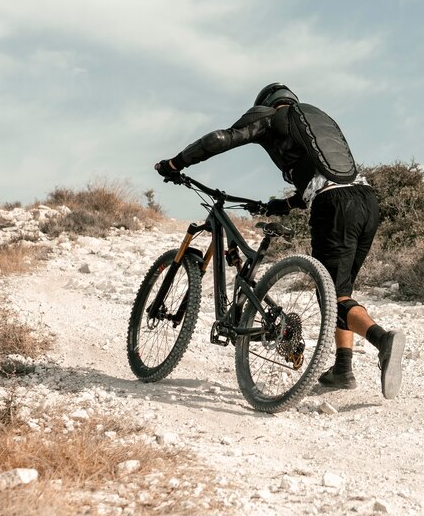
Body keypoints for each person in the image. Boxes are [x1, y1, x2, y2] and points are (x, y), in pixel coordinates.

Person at [154, 83, 405, 399]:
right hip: (366, 202)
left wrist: (176, 164)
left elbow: (219, 139)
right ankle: (342, 369)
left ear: (267, 104)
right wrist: (281, 205)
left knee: (333, 296)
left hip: (334, 206)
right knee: (340, 292)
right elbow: (321, 175)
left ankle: (383, 341)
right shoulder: (318, 118)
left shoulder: (269, 116)